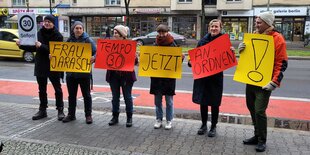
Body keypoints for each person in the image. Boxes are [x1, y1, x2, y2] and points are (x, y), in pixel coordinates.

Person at [238, 11, 288, 152]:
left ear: (267, 23)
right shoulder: (254, 35)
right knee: (251, 108)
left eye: (259, 22)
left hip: (264, 83)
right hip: (250, 80)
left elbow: (281, 63)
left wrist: (274, 82)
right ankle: (256, 135)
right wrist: (241, 50)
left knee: (259, 111)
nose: (256, 24)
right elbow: (248, 58)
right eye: (257, 22)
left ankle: (262, 140)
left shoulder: (277, 39)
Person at [188, 19, 235, 137]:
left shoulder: (224, 42)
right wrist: (190, 62)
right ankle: (203, 125)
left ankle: (213, 126)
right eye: (212, 26)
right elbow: (196, 59)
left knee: (214, 103)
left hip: (215, 78)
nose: (214, 28)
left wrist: (231, 54)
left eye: (216, 27)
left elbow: (227, 60)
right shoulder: (202, 41)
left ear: (220, 28)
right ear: (209, 28)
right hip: (203, 78)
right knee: (203, 102)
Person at [17, 15, 65, 121]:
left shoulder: (58, 36)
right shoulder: (38, 33)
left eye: (49, 22)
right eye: (45, 21)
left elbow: (57, 51)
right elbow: (33, 47)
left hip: (53, 65)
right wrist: (21, 45)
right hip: (41, 65)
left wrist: (42, 46)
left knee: (57, 89)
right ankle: (42, 110)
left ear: (53, 23)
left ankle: (60, 110)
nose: (47, 23)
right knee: (41, 89)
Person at [62, 21, 96, 124]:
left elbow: (96, 52)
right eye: (76, 28)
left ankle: (88, 115)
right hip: (71, 74)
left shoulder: (88, 40)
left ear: (83, 30)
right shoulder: (69, 41)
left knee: (86, 95)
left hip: (84, 73)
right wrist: (54, 56)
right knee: (71, 96)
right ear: (73, 29)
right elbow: (63, 54)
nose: (78, 30)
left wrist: (94, 57)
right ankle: (71, 114)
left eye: (80, 28)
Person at [106, 25, 138, 127]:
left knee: (127, 97)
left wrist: (135, 56)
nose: (114, 34)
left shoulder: (130, 45)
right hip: (113, 75)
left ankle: (129, 117)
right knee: (115, 97)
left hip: (126, 76)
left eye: (116, 32)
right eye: (114, 32)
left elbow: (135, 62)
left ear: (122, 34)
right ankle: (115, 116)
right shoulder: (109, 45)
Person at [151, 24, 179, 130]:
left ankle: (169, 120)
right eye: (159, 32)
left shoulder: (173, 44)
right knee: (157, 101)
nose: (161, 35)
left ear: (167, 32)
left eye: (163, 32)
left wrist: (180, 58)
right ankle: (158, 119)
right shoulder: (155, 44)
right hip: (157, 77)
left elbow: (176, 62)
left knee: (169, 101)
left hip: (168, 77)